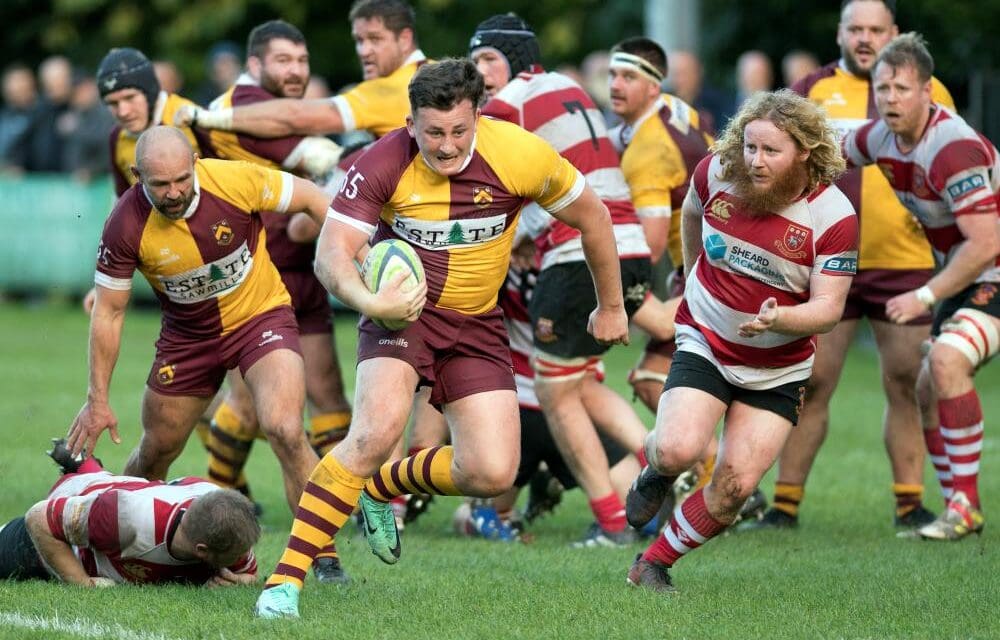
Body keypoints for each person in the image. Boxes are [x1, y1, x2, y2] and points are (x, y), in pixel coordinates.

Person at [253, 58, 629, 618]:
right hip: (400, 316)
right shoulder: (382, 161)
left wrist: (612, 305)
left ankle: (382, 487)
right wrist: (372, 302)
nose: (448, 146)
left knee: (492, 471)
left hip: (477, 322)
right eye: (433, 133)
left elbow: (595, 217)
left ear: (478, 116)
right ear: (410, 123)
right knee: (374, 433)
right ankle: (284, 582)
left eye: (459, 131)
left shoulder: (519, 153)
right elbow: (331, 254)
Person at [625, 89, 858, 592]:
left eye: (771, 151)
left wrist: (781, 320)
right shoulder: (716, 172)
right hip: (707, 338)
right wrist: (689, 272)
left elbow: (830, 311)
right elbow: (690, 211)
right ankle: (656, 469)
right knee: (676, 449)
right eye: (750, 146)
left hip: (779, 366)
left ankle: (653, 563)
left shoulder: (833, 215)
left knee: (733, 488)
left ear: (804, 152)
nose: (755, 160)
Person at [745, 0, 956, 532]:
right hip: (826, 261)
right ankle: (785, 505)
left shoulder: (933, 91)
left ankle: (911, 502)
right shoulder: (810, 92)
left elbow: (952, 162)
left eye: (876, 29)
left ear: (896, 32)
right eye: (855, 28)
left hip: (904, 261)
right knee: (811, 382)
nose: (865, 38)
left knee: (908, 382)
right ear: (839, 32)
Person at [471, 14, 671, 546]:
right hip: (624, 248)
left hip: (578, 252)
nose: (479, 74)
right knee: (578, 380)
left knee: (555, 393)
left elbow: (464, 161)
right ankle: (673, 460)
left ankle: (611, 522)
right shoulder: (569, 88)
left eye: (487, 60)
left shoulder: (506, 102)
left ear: (514, 61)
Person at [64, 127, 334, 521]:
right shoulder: (124, 224)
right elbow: (109, 312)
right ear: (138, 177)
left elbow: (313, 197)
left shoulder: (234, 179)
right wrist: (97, 400)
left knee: (286, 430)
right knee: (157, 450)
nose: (174, 193)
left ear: (195, 163)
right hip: (188, 338)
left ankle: (323, 556)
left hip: (260, 317)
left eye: (181, 180)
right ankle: (112, 540)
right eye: (160, 185)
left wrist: (353, 252)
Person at [197, 19, 352, 583]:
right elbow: (320, 155)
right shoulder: (246, 108)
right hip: (255, 274)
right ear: (255, 64)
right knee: (258, 408)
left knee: (325, 389)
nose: (296, 71)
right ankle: (222, 493)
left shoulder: (272, 107)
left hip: (300, 266)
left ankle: (343, 500)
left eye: (301, 60)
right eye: (283, 61)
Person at [842, 33, 999, 540]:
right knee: (930, 383)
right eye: (882, 87)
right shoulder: (879, 138)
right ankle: (961, 510)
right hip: (967, 269)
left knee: (947, 359)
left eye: (902, 88)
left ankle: (964, 508)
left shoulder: (952, 148)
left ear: (928, 91)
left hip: (990, 263)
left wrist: (926, 295)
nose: (889, 97)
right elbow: (827, 152)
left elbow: (985, 243)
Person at [607, 38, 713, 415]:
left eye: (629, 77)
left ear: (654, 85)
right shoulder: (675, 108)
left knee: (654, 383)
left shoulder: (648, 151)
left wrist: (603, 284)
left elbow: (648, 247)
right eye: (613, 75)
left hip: (713, 271)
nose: (615, 85)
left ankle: (706, 472)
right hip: (718, 258)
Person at [0, 440, 259, 587]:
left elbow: (250, 574)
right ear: (201, 551)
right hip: (74, 505)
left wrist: (239, 580)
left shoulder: (225, 517)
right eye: (238, 556)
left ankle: (87, 466)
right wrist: (83, 585)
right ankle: (82, 472)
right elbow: (39, 518)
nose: (243, 558)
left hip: (118, 494)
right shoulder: (128, 519)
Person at [174, 0, 425, 141]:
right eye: (359, 40)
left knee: (301, 223)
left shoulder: (393, 88)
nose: (363, 51)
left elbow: (293, 116)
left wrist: (206, 117)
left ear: (404, 39)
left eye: (375, 39)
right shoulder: (434, 71)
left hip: (418, 227)